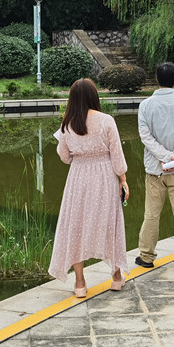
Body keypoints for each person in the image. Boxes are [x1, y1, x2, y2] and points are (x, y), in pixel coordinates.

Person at [48, 78, 130, 297]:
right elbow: (117, 154)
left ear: (72, 99)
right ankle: (115, 277)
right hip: (105, 176)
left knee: (75, 226)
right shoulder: (106, 121)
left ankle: (80, 284)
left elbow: (64, 157)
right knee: (109, 222)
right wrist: (122, 179)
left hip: (78, 178)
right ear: (94, 96)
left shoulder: (67, 124)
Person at [136, 62, 174, 271]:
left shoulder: (145, 105)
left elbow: (145, 136)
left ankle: (146, 256)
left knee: (151, 214)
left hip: (155, 168)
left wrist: (164, 157)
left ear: (156, 80)